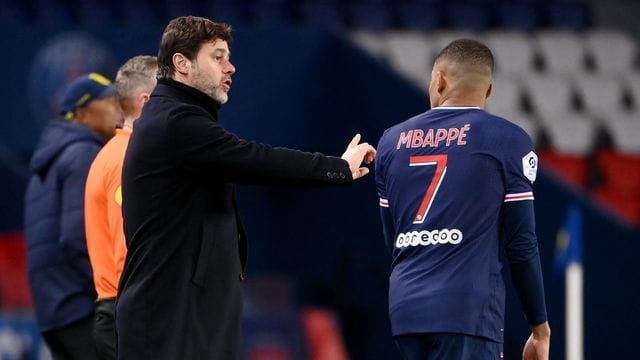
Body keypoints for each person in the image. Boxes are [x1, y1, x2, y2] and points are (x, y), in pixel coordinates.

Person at [116, 15, 376, 360]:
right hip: (171, 315)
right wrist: (338, 167)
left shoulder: (176, 117)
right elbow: (257, 160)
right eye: (218, 56)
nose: (231, 67)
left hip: (179, 310)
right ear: (182, 63)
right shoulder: (175, 122)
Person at [374, 39, 551, 360]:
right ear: (488, 91)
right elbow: (522, 244)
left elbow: (394, 239)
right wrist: (539, 328)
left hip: (405, 310)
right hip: (468, 310)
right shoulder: (509, 141)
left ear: (439, 79)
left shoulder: (391, 142)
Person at [24, 72, 121, 360]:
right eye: (111, 101)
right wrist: (112, 295)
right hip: (83, 310)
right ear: (81, 113)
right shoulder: (83, 154)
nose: (119, 108)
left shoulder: (51, 158)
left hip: (55, 312)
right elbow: (77, 237)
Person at [84, 56, 157, 360]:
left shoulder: (115, 153)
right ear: (147, 102)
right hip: (129, 315)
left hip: (123, 312)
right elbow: (125, 249)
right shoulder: (126, 159)